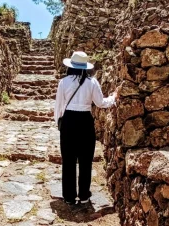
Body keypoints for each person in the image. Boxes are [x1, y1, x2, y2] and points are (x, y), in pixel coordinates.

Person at [54, 51, 118, 209]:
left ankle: (68, 196)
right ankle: (83, 195)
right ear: (85, 67)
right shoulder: (92, 82)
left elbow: (59, 106)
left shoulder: (64, 82)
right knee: (85, 160)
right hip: (85, 122)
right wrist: (114, 98)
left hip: (69, 121)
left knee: (68, 160)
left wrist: (60, 124)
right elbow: (101, 102)